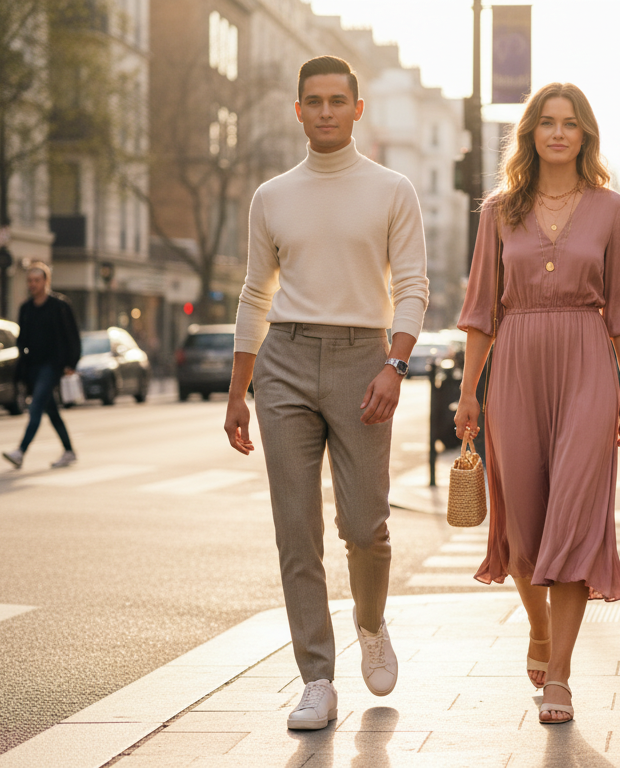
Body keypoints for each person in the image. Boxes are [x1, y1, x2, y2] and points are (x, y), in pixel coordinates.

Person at [223, 56, 428, 730]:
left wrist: (394, 366)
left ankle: (371, 624)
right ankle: (316, 676)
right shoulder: (272, 195)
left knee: (365, 525)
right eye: (314, 101)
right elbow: (256, 292)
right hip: (283, 358)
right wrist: (238, 389)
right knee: (295, 527)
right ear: (299, 110)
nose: (326, 111)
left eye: (338, 100)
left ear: (357, 109)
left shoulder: (392, 188)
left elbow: (413, 286)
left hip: (363, 359)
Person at [453, 83, 620, 726]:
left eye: (570, 123)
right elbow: (481, 309)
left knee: (574, 513)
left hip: (588, 361)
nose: (558, 133)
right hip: (515, 364)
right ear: (531, 133)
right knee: (525, 527)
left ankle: (559, 675)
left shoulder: (611, 208)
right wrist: (468, 393)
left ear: (586, 133)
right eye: (546, 123)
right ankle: (536, 626)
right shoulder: (499, 211)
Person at [1, 262, 80, 470]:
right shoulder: (26, 309)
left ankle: (20, 451)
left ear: (46, 281)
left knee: (35, 407)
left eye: (37, 280)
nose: (32, 284)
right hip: (33, 367)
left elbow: (73, 337)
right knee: (51, 411)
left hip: (53, 366)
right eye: (30, 281)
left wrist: (71, 363)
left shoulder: (60, 306)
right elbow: (22, 341)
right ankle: (69, 451)